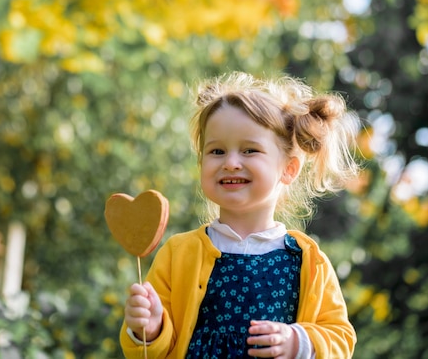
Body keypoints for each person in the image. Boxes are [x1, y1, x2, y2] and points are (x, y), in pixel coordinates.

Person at [121, 71, 360, 358]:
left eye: (249, 150)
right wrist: (150, 327)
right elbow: (152, 350)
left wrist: (297, 341)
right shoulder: (177, 254)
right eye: (217, 151)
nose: (231, 163)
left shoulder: (309, 261)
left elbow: (341, 339)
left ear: (288, 169)